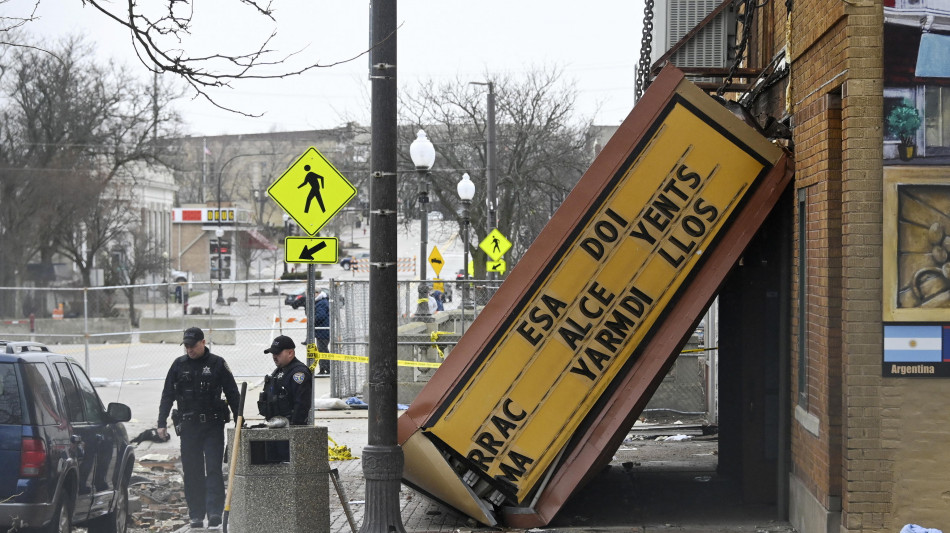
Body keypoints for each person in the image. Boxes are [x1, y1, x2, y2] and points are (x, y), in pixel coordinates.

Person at [157, 327, 240, 529]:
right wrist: (161, 423)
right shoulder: (179, 365)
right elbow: (167, 395)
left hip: (212, 426)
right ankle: (196, 514)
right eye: (186, 346)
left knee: (213, 469)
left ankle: (214, 512)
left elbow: (232, 393)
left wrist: (240, 420)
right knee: (192, 470)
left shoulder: (217, 364)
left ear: (203, 342)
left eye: (192, 346)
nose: (189, 350)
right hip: (189, 427)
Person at [259, 335, 313, 425]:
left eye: (277, 353)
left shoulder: (298, 373)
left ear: (290, 353)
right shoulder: (279, 371)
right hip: (276, 424)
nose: (274, 356)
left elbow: (302, 405)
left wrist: (294, 427)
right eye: (273, 353)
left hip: (290, 427)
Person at [313, 291, 330, 375]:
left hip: (323, 331)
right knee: (322, 350)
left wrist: (312, 319)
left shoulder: (321, 303)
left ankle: (327, 369)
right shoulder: (320, 302)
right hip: (322, 331)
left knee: (323, 350)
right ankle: (323, 369)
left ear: (317, 293)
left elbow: (320, 316)